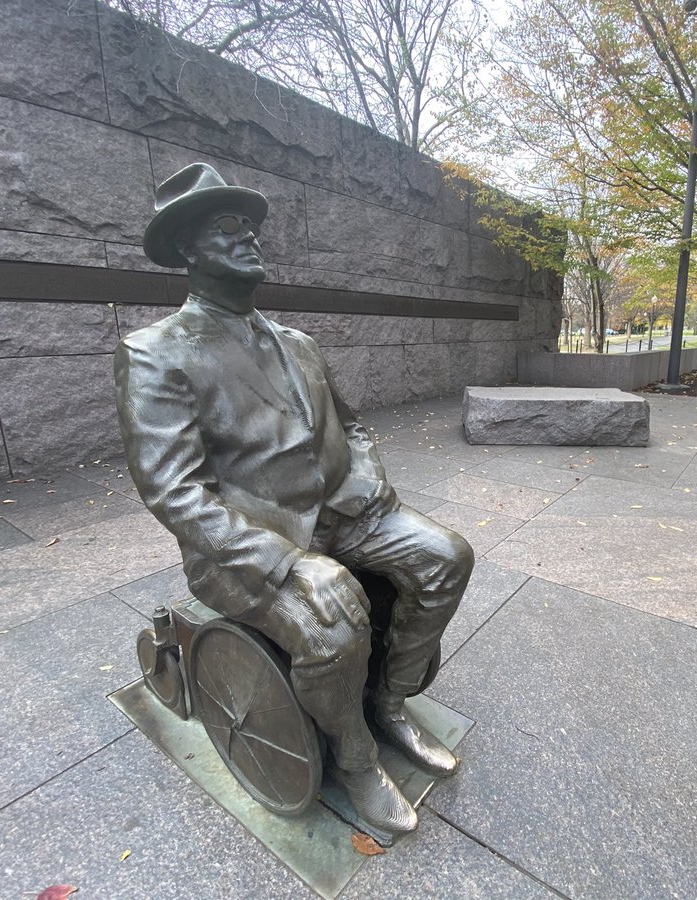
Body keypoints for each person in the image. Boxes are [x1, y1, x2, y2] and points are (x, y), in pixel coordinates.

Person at [115, 163, 474, 836]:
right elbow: (171, 488)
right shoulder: (155, 354)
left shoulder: (299, 343)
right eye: (227, 227)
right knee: (331, 630)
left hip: (348, 513)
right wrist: (292, 562)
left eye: (251, 226)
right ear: (188, 247)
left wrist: (367, 476)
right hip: (252, 545)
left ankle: (392, 703)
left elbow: (355, 423)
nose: (249, 237)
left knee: (447, 556)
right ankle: (357, 758)